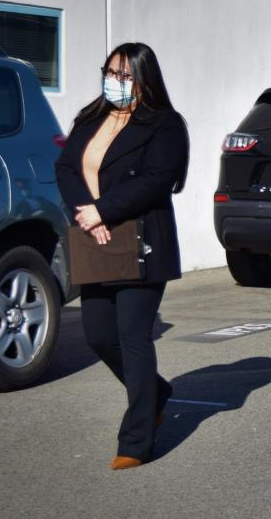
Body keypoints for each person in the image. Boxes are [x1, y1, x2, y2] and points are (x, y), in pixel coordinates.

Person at [55, 42, 189, 470]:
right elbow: (67, 168)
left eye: (126, 75)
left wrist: (103, 210)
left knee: (133, 336)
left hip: (141, 241)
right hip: (94, 238)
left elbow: (156, 181)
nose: (116, 81)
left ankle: (137, 438)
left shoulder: (164, 124)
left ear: (145, 78)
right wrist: (85, 213)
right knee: (98, 334)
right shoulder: (91, 118)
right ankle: (156, 392)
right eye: (111, 72)